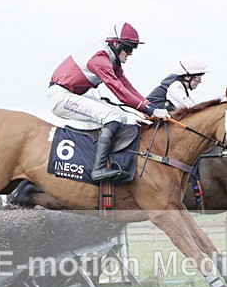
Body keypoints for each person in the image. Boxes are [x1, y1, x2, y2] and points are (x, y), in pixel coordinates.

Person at [47, 23, 169, 181]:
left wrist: (149, 107)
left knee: (123, 117)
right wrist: (150, 110)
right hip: (61, 97)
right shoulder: (99, 59)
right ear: (116, 43)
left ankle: (108, 160)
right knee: (112, 117)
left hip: (73, 94)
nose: (131, 53)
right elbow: (119, 91)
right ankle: (98, 169)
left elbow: (127, 87)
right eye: (129, 48)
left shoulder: (112, 59)